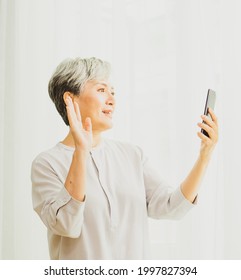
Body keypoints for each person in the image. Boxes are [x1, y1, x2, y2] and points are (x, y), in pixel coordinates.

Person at [31, 57, 218, 260]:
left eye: (113, 92)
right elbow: (66, 224)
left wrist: (204, 156)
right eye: (101, 90)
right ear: (71, 99)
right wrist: (81, 152)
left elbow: (172, 207)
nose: (112, 99)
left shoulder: (132, 155)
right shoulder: (47, 164)